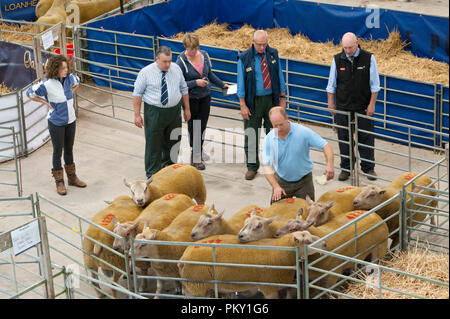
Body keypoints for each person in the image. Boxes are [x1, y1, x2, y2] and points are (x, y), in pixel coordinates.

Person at [26, 55, 86, 196]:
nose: (66, 70)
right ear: (55, 69)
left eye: (66, 67)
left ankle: (72, 178)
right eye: (63, 68)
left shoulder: (70, 79)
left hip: (71, 120)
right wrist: (45, 103)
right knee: (57, 151)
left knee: (69, 149)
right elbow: (30, 93)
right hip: (56, 122)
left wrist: (72, 91)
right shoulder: (47, 84)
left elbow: (78, 81)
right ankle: (59, 182)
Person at [326, 32, 380, 181]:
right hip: (343, 106)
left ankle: (368, 168)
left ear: (357, 43)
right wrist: (331, 103)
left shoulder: (369, 58)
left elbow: (375, 85)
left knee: (366, 137)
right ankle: (346, 167)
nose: (348, 51)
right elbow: (331, 84)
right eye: (345, 48)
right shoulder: (337, 60)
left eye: (350, 47)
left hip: (363, 106)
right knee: (344, 138)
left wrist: (372, 105)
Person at [132, 46, 191, 178]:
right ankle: (152, 173)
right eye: (164, 61)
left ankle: (170, 169)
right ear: (156, 59)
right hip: (154, 112)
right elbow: (137, 94)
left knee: (174, 140)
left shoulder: (176, 69)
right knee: (154, 142)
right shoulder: (146, 72)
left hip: (174, 111)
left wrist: (186, 109)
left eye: (169, 61)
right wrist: (137, 115)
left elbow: (184, 89)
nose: (168, 64)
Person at [237, 29, 287, 180]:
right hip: (253, 102)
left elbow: (279, 75)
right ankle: (252, 167)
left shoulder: (273, 54)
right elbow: (241, 82)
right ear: (253, 43)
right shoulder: (244, 58)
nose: (262, 48)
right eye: (259, 45)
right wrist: (243, 105)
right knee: (251, 134)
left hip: (271, 100)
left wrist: (282, 98)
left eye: (264, 44)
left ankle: (275, 164)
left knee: (274, 133)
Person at [176, 33, 228, 170]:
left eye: (195, 48)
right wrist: (195, 83)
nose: (193, 52)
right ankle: (196, 156)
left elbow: (210, 74)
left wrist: (222, 84)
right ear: (185, 47)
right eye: (190, 49)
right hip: (190, 99)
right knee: (194, 126)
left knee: (202, 125)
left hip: (205, 96)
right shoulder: (181, 61)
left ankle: (197, 150)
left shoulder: (204, 55)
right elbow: (179, 83)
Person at [262, 107, 334, 204]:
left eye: (281, 124)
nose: (278, 128)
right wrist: (276, 187)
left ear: (287, 118)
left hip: (304, 181)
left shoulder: (303, 132)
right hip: (282, 181)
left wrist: (330, 165)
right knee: (276, 213)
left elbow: (325, 146)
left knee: (309, 212)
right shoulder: (269, 139)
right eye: (275, 126)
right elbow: (267, 167)